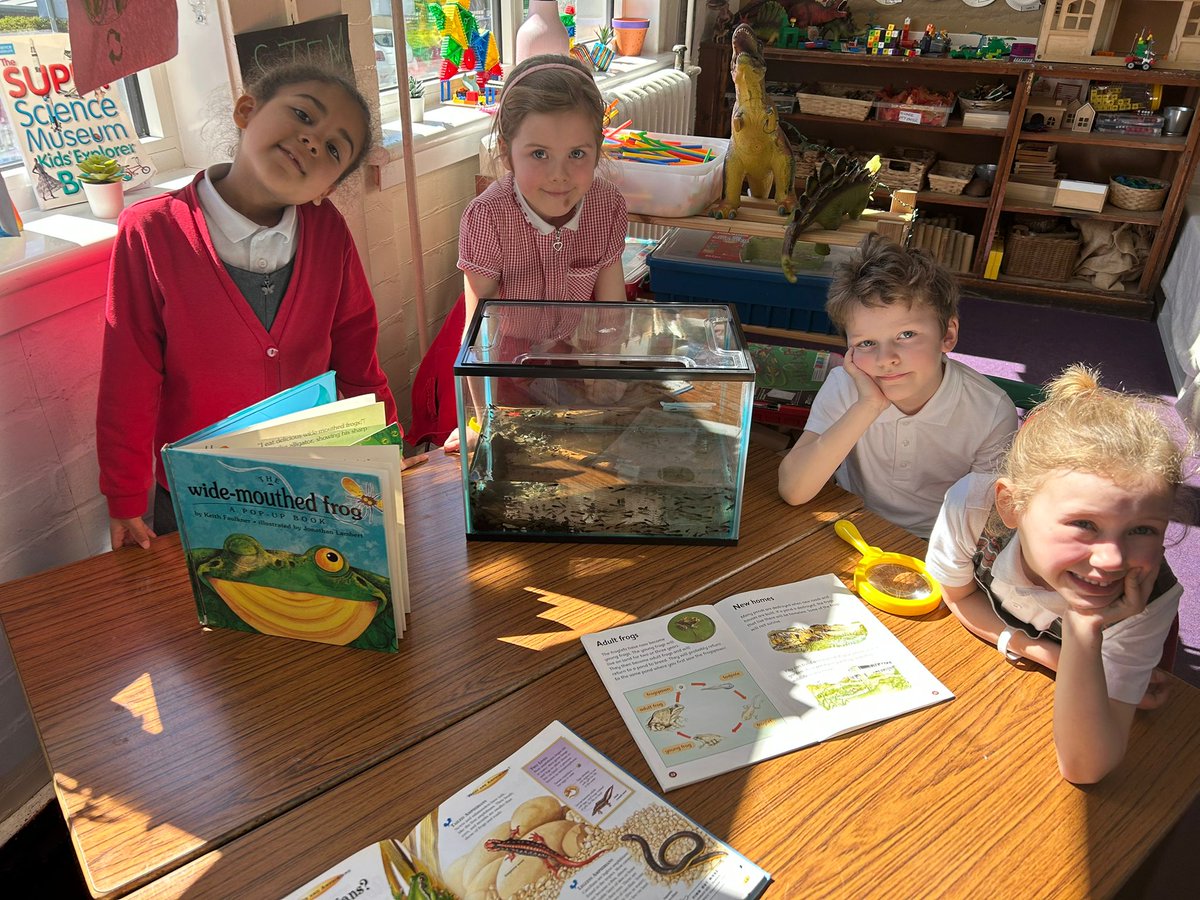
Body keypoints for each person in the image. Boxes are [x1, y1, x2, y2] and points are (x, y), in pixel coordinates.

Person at [97, 62, 404, 551]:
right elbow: (127, 376)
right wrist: (125, 494)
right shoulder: (151, 231)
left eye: (332, 148)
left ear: (327, 188)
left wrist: (386, 458)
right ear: (246, 110)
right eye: (303, 115)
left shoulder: (328, 233)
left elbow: (358, 361)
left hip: (307, 488)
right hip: (193, 493)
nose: (310, 141)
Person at [926, 365, 1189, 783]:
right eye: (1084, 524)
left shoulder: (1147, 599)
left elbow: (1085, 768)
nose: (1111, 560)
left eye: (1142, 530)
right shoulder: (973, 509)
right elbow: (957, 596)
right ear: (1011, 506)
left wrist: (1084, 628)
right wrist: (1044, 652)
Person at [440, 53, 629, 452]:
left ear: (598, 149)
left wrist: (607, 371)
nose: (558, 175)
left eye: (577, 154)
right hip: (503, 372)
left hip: (569, 361)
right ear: (507, 153)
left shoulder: (608, 205)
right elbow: (479, 334)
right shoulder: (486, 217)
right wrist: (482, 420)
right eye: (538, 154)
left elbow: (612, 308)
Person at [777, 234, 1017, 538]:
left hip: (939, 544)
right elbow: (794, 489)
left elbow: (979, 522)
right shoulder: (846, 387)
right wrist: (868, 406)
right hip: (852, 527)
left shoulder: (991, 411)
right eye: (866, 343)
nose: (885, 359)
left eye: (906, 335)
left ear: (948, 335)